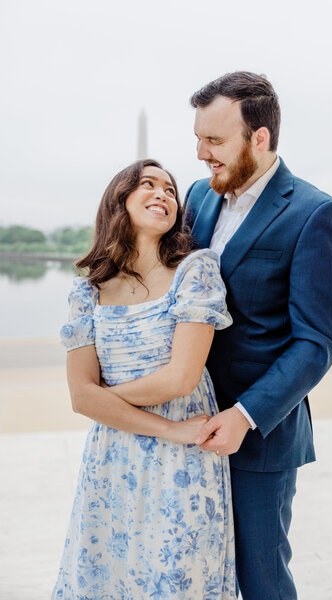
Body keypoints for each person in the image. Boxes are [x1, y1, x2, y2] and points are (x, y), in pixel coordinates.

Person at [184, 71, 332, 600]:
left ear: (259, 138)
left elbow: (317, 341)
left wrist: (245, 415)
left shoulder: (315, 214)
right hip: (184, 424)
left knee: (259, 579)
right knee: (194, 572)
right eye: (198, 137)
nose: (200, 153)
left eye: (214, 140)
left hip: (258, 437)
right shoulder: (197, 195)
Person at [52, 159, 237, 599]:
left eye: (170, 189)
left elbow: (180, 377)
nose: (163, 194)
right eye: (147, 185)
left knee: (178, 577)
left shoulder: (196, 271)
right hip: (113, 456)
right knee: (108, 574)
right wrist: (158, 425)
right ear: (119, 202)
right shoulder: (88, 291)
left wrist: (103, 400)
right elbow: (80, 397)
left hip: (185, 459)